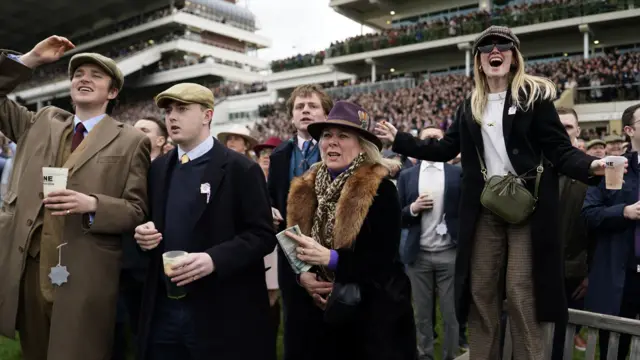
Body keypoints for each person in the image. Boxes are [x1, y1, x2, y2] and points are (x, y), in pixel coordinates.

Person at [375, 26, 610, 359]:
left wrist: (592, 166)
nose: (494, 51)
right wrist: (400, 140)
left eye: (502, 45)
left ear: (513, 57)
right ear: (478, 60)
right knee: (480, 290)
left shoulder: (534, 99)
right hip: (486, 208)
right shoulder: (470, 104)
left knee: (519, 290)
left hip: (526, 208)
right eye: (486, 47)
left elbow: (560, 150)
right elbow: (445, 148)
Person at [0, 37, 150, 360]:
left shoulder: (132, 140)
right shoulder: (40, 122)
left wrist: (94, 205)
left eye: (96, 75)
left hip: (86, 276)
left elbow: (136, 210)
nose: (84, 78)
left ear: (112, 92)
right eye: (78, 73)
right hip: (31, 270)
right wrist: (30, 59)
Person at [133, 83, 276, 360]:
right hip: (165, 309)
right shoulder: (159, 169)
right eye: (168, 110)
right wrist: (143, 234)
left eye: (182, 109)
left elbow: (263, 235)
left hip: (221, 311)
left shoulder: (240, 169)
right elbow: (151, 222)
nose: (172, 117)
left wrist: (213, 260)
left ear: (207, 115)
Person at [285, 101, 416, 359]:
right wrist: (303, 277)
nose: (332, 142)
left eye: (343, 135)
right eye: (327, 135)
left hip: (372, 319)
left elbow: (382, 260)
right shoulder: (304, 189)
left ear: (361, 146)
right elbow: (292, 245)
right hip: (318, 317)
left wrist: (331, 259)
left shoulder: (380, 190)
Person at [266, 84, 333, 360]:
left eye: (312, 106)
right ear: (291, 117)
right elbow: (272, 200)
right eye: (299, 107)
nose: (305, 110)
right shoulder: (280, 155)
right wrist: (268, 210)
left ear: (327, 115)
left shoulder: (338, 149)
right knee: (297, 336)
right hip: (291, 259)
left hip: (332, 259)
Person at [397, 125, 462, 360]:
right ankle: (424, 355)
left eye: (438, 137)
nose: (433, 140)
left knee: (451, 314)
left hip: (449, 253)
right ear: (418, 143)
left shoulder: (457, 173)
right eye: (428, 137)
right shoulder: (407, 176)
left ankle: (451, 355)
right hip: (418, 255)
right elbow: (397, 215)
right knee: (422, 315)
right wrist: (412, 209)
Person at [582, 102, 640, 360]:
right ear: (629, 130)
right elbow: (589, 214)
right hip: (621, 278)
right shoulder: (612, 167)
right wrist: (623, 212)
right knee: (613, 351)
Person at [112, 116, 169, 360]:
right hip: (119, 263)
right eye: (132, 129)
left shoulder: (171, 169)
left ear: (160, 140)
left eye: (144, 130)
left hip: (155, 267)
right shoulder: (117, 170)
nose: (135, 133)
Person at [550, 107, 591, 358]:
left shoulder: (593, 171)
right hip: (538, 269)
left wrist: (590, 273)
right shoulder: (535, 168)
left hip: (576, 273)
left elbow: (600, 229)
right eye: (558, 126)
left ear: (578, 130)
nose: (563, 132)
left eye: (568, 127)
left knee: (565, 337)